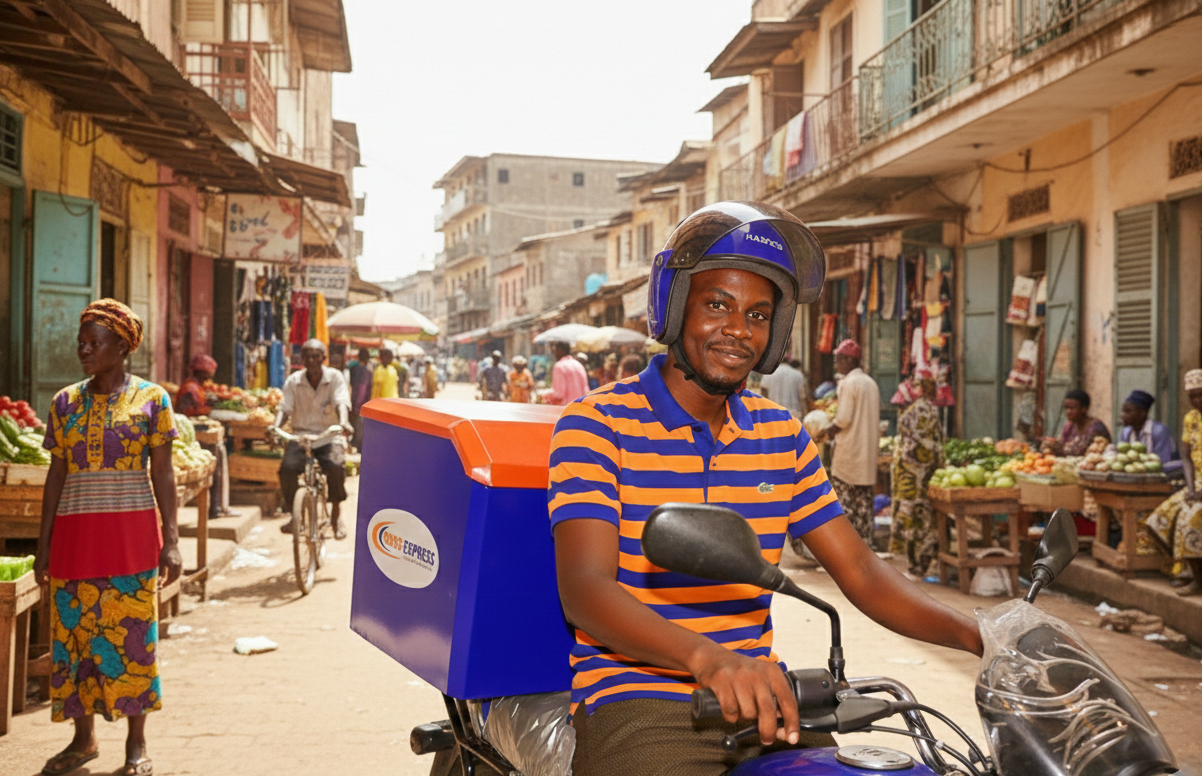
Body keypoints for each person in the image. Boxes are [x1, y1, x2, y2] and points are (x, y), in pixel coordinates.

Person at [549, 202, 981, 776]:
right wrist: (707, 658)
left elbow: (861, 571)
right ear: (676, 307)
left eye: (758, 315)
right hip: (640, 702)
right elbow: (585, 587)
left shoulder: (781, 434)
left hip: (764, 701)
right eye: (717, 306)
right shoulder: (596, 423)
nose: (738, 330)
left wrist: (983, 638)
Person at [33, 299, 181, 776]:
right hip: (74, 543)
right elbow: (56, 476)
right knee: (75, 643)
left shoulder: (152, 401)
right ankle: (84, 738)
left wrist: (172, 539)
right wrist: (43, 544)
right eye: (81, 342)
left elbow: (164, 475)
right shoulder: (64, 403)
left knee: (132, 641)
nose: (84, 350)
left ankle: (136, 744)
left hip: (130, 542)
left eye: (95, 343)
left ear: (122, 346)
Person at [274, 339, 353, 540]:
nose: (312, 360)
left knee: (335, 467)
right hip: (301, 436)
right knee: (287, 469)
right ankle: (295, 516)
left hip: (328, 436)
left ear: (323, 358)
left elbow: (341, 402)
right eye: (307, 356)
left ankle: (335, 515)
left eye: (316, 356)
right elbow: (285, 408)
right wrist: (275, 427)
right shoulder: (293, 381)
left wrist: (344, 422)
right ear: (302, 359)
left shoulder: (335, 378)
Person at [1145, 369, 1202, 596]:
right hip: (1197, 482)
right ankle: (1187, 571)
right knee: (1159, 518)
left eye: (1200, 395)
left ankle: (1196, 579)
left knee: (1190, 519)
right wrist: (1191, 488)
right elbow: (1186, 457)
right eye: (1192, 396)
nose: (1196, 400)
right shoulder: (1191, 419)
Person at [888, 366, 945, 578]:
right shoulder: (932, 410)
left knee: (910, 517)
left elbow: (907, 443)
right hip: (925, 475)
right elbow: (939, 443)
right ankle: (922, 563)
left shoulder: (912, 412)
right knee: (924, 520)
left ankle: (914, 563)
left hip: (909, 476)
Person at [826, 339, 882, 546]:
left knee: (846, 502)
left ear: (849, 360)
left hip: (850, 452)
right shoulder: (870, 383)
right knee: (864, 502)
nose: (837, 363)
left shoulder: (849, 383)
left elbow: (843, 419)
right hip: (867, 452)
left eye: (839, 359)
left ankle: (847, 545)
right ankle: (865, 542)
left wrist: (829, 429)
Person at [1042, 389, 1110, 456]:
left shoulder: (1095, 427)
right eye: (1066, 408)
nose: (1068, 412)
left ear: (1084, 409)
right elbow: (1061, 443)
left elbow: (1080, 451)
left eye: (1072, 408)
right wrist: (1049, 445)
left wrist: (1057, 447)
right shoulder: (1069, 426)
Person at [1119, 389, 1179, 466]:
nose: (1122, 415)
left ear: (1142, 413)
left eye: (1128, 411)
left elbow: (1163, 462)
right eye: (1123, 411)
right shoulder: (1126, 433)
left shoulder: (1159, 432)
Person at [543, 341, 589, 405]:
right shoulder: (579, 365)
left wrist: (547, 397)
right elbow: (586, 391)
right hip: (581, 408)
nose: (554, 354)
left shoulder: (559, 366)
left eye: (555, 350)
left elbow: (559, 395)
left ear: (561, 350)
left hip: (566, 410)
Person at [347, 347, 373, 450]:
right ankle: (358, 446)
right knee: (359, 427)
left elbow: (353, 386)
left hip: (354, 401)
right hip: (361, 403)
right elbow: (362, 389)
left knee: (356, 426)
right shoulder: (366, 371)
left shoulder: (353, 369)